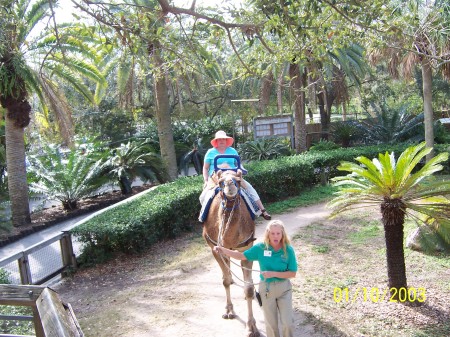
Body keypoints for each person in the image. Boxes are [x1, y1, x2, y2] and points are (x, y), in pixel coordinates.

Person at [214, 220, 298, 337]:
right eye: (272, 233)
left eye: (278, 233)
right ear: (267, 233)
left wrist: (273, 274)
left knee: (288, 323)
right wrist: (223, 250)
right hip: (266, 289)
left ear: (282, 234)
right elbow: (242, 256)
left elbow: (292, 273)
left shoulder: (288, 249)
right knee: (271, 325)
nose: (275, 236)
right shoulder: (261, 248)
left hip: (284, 289)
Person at [202, 130, 271, 220]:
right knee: (204, 195)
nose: (222, 141)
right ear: (216, 141)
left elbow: (238, 163)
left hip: (232, 174)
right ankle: (205, 217)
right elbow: (205, 168)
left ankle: (262, 210)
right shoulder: (210, 152)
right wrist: (206, 180)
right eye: (219, 139)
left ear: (226, 140)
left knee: (249, 188)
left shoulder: (232, 151)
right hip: (216, 176)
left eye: (223, 139)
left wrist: (241, 169)